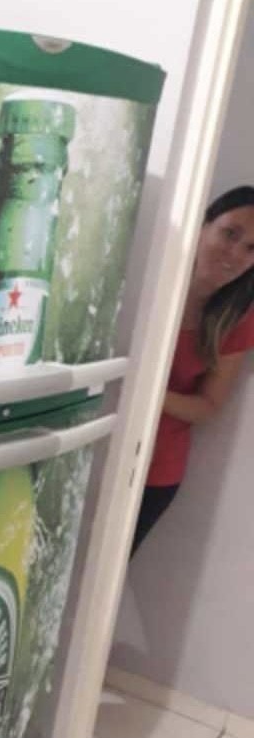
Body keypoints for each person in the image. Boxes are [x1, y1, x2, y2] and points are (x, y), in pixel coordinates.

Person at [131, 185, 254, 555]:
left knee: (102, 578)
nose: (236, 254)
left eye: (251, 249)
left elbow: (208, 405)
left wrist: (149, 392)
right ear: (203, 225)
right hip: (98, 441)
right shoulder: (149, 272)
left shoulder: (238, 318)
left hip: (155, 470)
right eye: (230, 233)